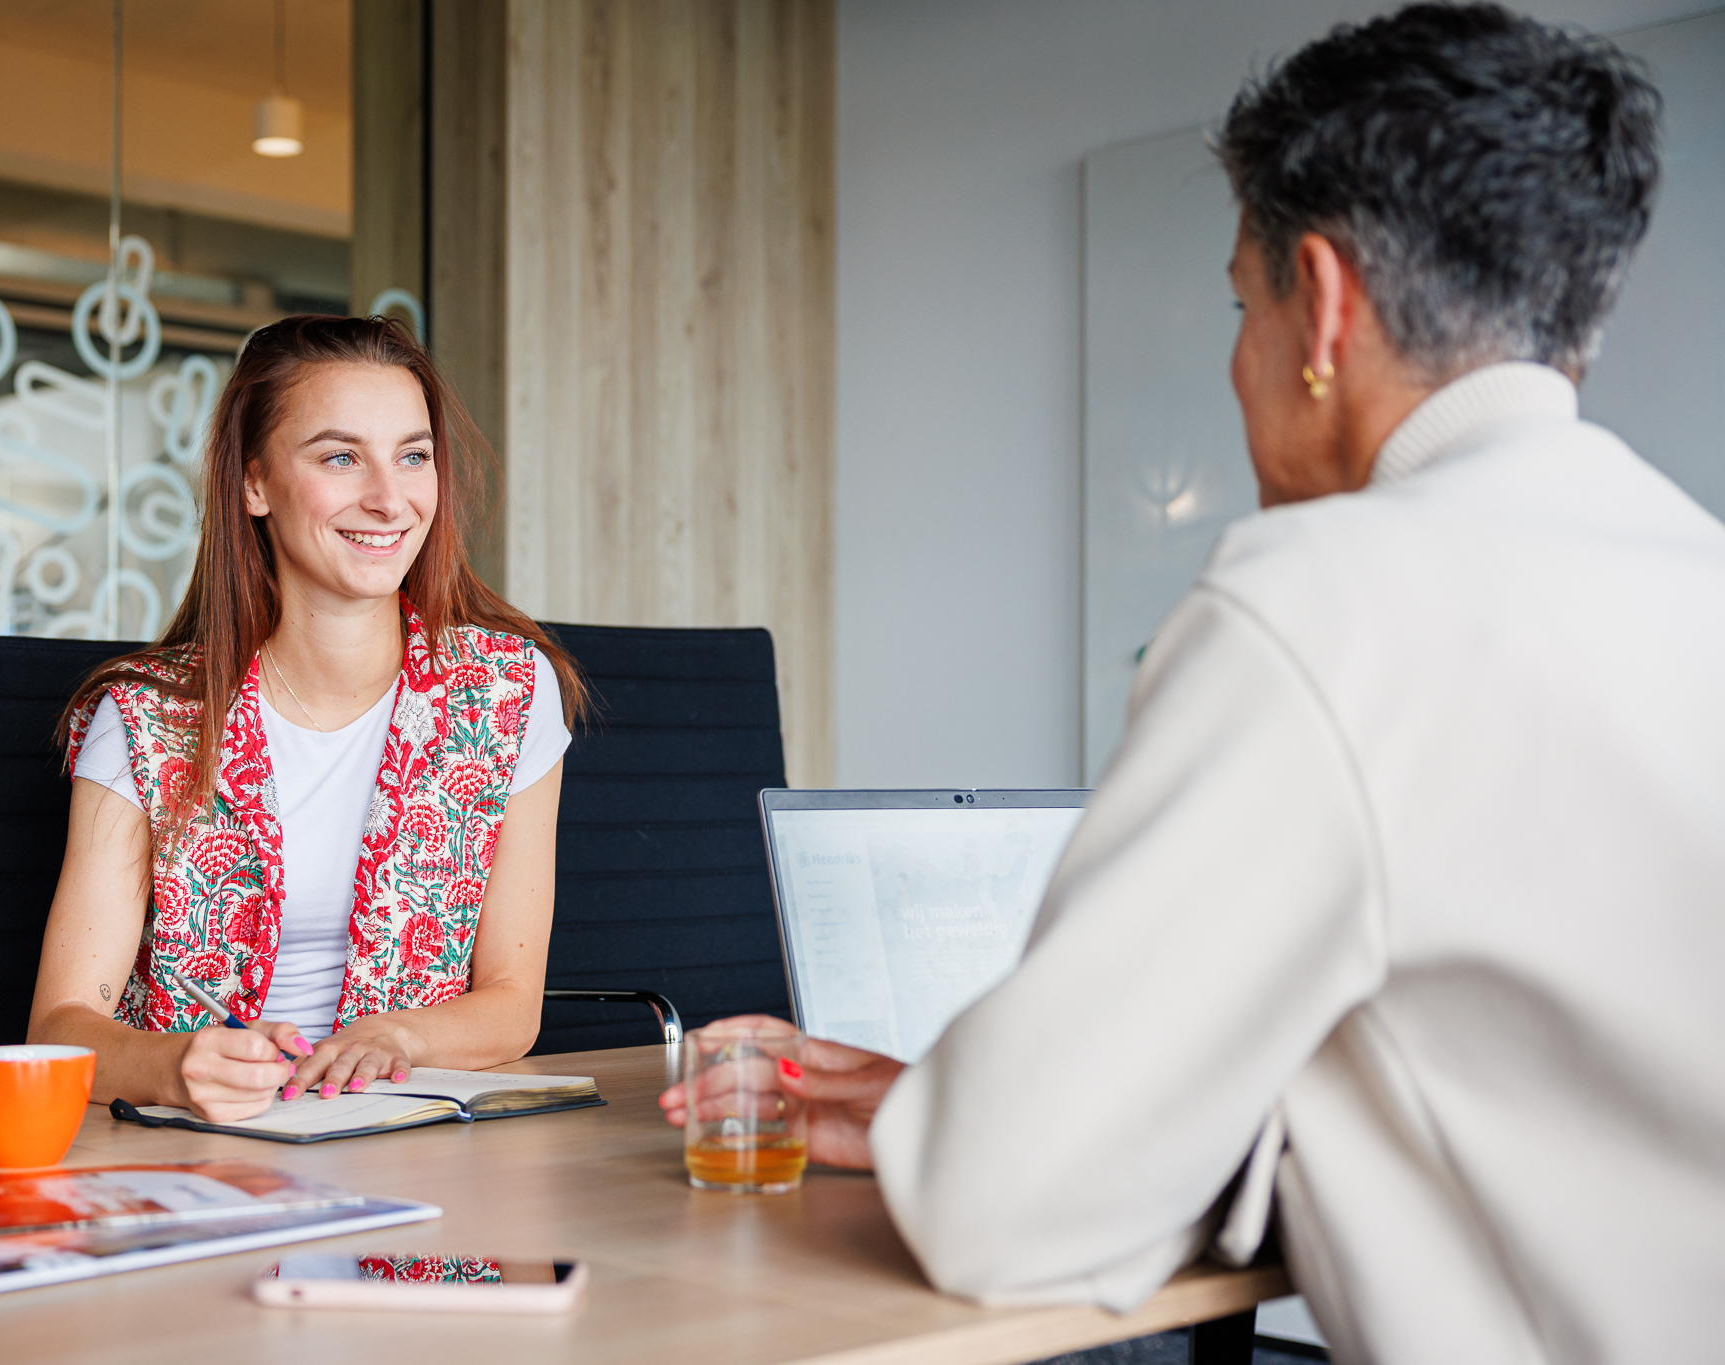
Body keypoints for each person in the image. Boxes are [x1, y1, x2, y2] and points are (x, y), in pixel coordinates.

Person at [665, 6, 1725, 1359]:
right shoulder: (1692, 567)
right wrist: (953, 1106)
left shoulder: (1325, 598)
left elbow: (1004, 1213)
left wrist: (967, 1137)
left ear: (1324, 304)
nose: (1241, 355)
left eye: (1245, 298)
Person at [30, 315, 583, 1124]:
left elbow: (511, 1001)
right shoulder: (149, 717)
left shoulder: (507, 693)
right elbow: (57, 1030)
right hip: (204, 1160)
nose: (390, 499)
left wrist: (396, 1035)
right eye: (339, 456)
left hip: (413, 1135)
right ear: (253, 484)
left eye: (413, 455)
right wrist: (175, 1064)